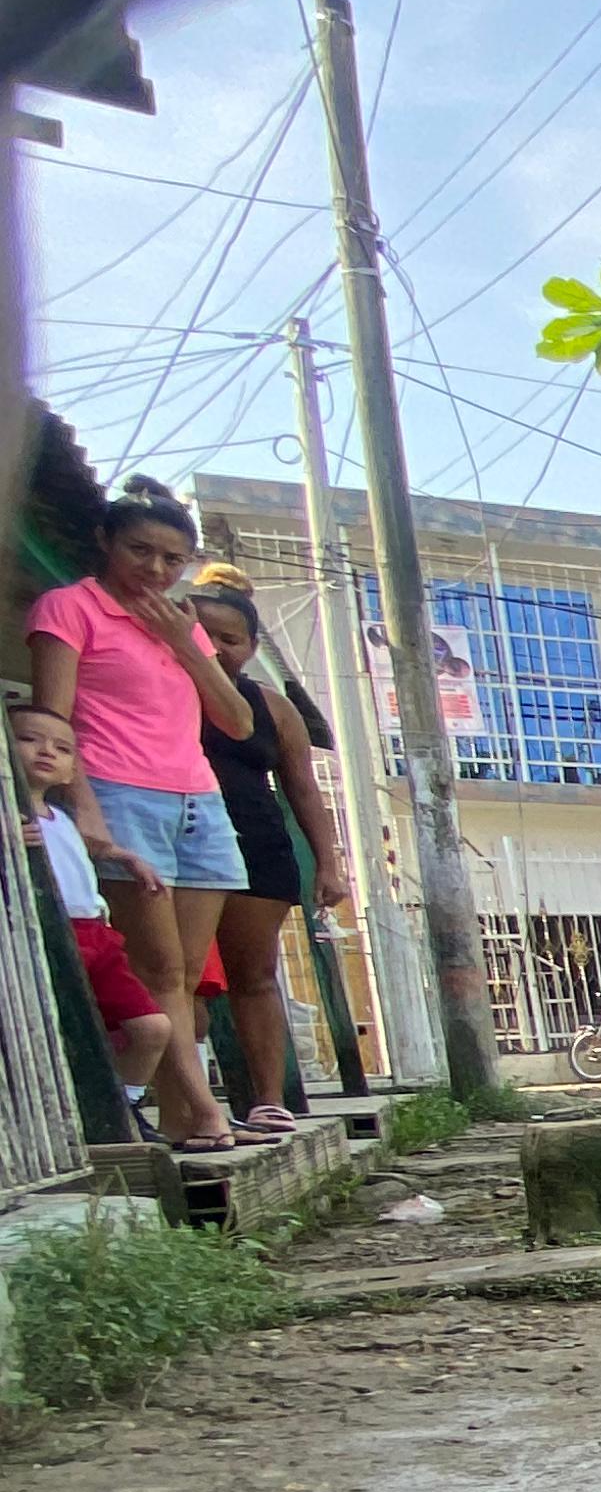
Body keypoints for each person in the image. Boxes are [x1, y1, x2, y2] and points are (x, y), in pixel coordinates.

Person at [22, 475, 265, 1150]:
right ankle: (203, 1112)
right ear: (106, 541)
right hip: (119, 793)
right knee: (155, 969)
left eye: (173, 558)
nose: (156, 569)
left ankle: (185, 1116)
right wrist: (86, 811)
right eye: (141, 551)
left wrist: (186, 643)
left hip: (199, 800)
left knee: (187, 974)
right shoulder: (68, 608)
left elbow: (238, 722)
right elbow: (54, 720)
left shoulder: (183, 624)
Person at [185, 566, 355, 1131]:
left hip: (257, 846)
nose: (216, 648)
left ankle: (267, 1099)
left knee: (254, 974)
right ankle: (190, 1104)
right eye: (203, 634)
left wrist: (328, 864)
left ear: (252, 647)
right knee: (180, 976)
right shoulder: (162, 690)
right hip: (178, 841)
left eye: (230, 639)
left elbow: (303, 788)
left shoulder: (273, 707)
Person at [12, 698, 217, 1142]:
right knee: (54, 1032)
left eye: (63, 749)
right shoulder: (12, 819)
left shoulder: (63, 819)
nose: (46, 751)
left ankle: (124, 1107)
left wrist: (128, 858)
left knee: (151, 1027)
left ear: (72, 770)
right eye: (28, 740)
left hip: (97, 935)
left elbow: (92, 851)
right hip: (45, 935)